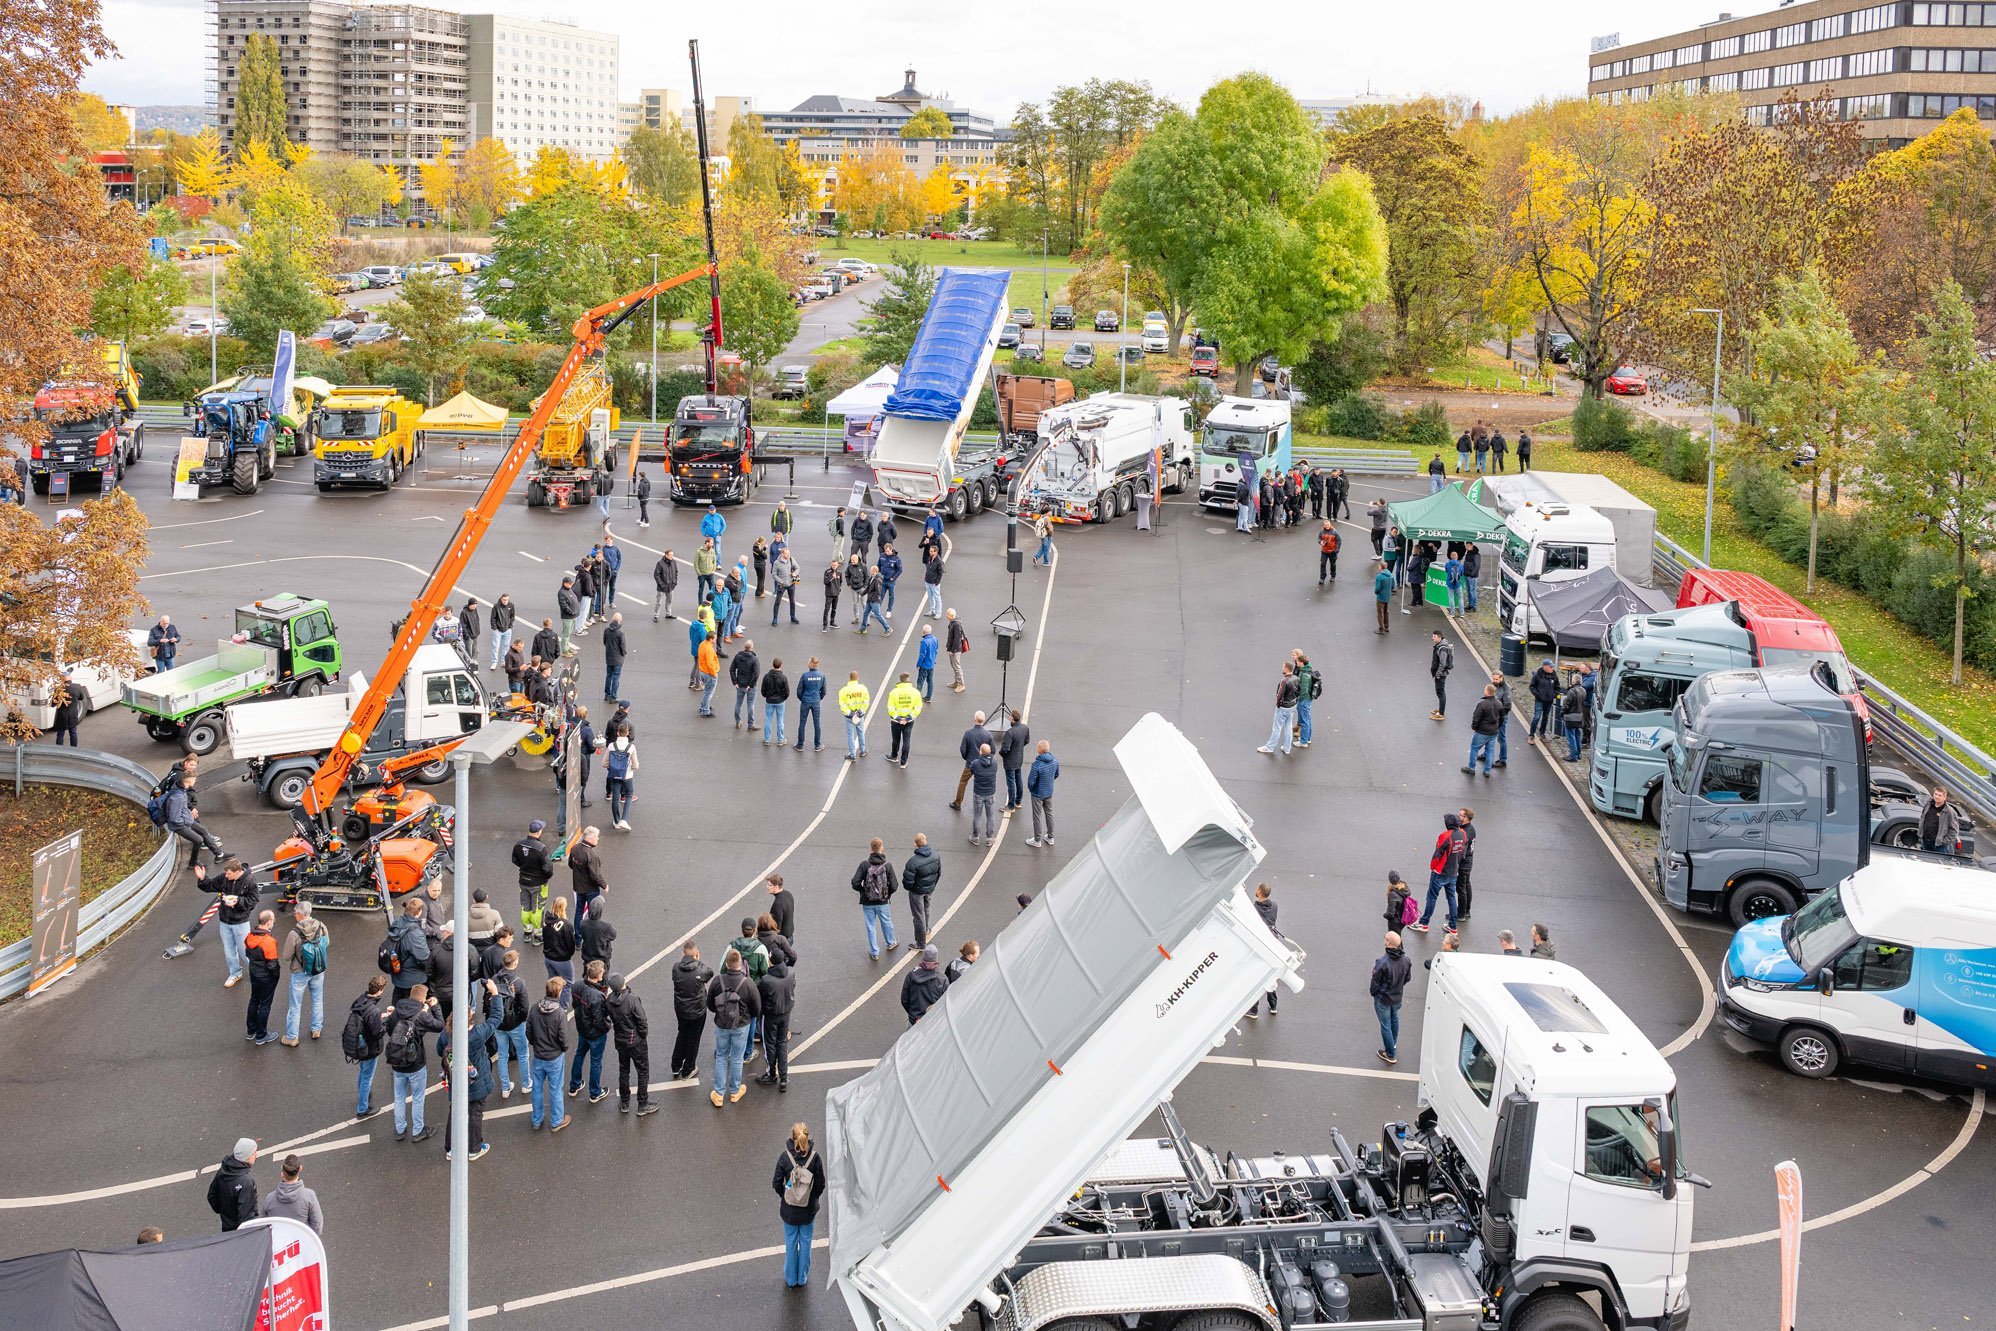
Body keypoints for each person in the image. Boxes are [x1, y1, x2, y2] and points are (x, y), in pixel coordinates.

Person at [385, 983, 444, 1141]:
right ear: (423, 998)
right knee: (418, 1097)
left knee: (399, 1096)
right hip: (415, 1063)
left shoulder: (397, 1010)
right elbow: (440, 1025)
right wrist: (435, 1007)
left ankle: (400, 1129)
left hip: (397, 1061)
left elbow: (389, 1029)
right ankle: (418, 1130)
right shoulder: (421, 1015)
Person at [774, 1123, 828, 1289]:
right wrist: (811, 1199)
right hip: (808, 1211)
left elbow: (776, 1182)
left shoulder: (785, 1157)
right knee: (805, 1242)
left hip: (789, 1211)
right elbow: (820, 1184)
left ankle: (791, 1279)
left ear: (792, 1137)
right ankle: (802, 1277)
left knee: (791, 1243)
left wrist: (786, 1195)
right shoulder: (815, 1158)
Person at [708, 950, 761, 1107]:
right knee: (737, 1058)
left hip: (722, 1024)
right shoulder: (748, 983)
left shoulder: (718, 981)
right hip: (741, 1025)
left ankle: (718, 1094)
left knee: (722, 1056)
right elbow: (757, 1009)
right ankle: (735, 1092)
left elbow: (710, 1004)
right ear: (741, 965)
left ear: (726, 964)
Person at [195, 856, 258, 987]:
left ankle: (257, 974)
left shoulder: (250, 881)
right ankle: (235, 973)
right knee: (229, 953)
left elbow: (254, 900)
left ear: (237, 872)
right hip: (225, 922)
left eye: (229, 873)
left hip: (241, 923)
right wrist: (202, 878)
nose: (226, 876)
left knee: (245, 952)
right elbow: (210, 885)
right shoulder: (225, 878)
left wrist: (238, 901)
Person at [280, 901, 329, 1047]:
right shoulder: (321, 926)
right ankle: (316, 1029)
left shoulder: (294, 933)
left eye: (295, 912)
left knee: (295, 1006)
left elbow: (287, 956)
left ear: (301, 914)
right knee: (317, 999)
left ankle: (292, 1037)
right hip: (318, 969)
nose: (295, 915)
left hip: (299, 972)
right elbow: (326, 943)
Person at [527, 977, 571, 1132]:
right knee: (555, 1089)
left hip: (539, 1056)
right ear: (558, 993)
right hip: (554, 1058)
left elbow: (529, 1032)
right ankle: (556, 1120)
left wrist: (536, 1044)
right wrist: (563, 1048)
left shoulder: (534, 1008)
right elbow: (563, 1038)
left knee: (537, 1089)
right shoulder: (559, 1013)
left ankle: (537, 1120)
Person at [487, 949, 532, 1101]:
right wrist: (521, 1019)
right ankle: (526, 1084)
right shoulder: (519, 982)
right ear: (515, 963)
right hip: (515, 1024)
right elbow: (524, 1006)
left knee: (503, 1055)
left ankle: (505, 1087)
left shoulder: (493, 979)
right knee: (523, 1054)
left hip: (499, 1024)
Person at [344, 974, 389, 1120]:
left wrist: (380, 1017)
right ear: (380, 991)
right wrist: (387, 1023)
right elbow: (378, 1033)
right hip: (370, 1048)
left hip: (360, 1045)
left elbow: (366, 1019)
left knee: (363, 1073)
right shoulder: (373, 1011)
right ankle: (363, 1108)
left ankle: (363, 1096)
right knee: (367, 1077)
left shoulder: (361, 1001)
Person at [1415, 812, 1468, 937]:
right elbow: (1463, 852)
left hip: (1440, 872)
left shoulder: (1444, 836)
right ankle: (1453, 926)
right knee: (1451, 898)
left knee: (1432, 897)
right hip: (1454, 871)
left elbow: (1437, 854)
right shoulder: (1463, 834)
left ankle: (1424, 923)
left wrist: (1433, 867)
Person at [567, 960, 612, 1103]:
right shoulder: (597, 996)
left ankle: (574, 1085)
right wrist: (607, 1026)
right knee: (596, 1062)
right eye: (602, 971)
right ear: (598, 975)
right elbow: (599, 1020)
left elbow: (575, 1004)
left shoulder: (578, 985)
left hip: (582, 1028)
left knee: (579, 1055)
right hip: (595, 1034)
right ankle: (595, 1092)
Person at [670, 942, 715, 1082]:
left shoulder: (676, 968)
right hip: (697, 1011)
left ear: (683, 953)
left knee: (682, 1034)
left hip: (681, 1008)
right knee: (693, 1039)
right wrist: (697, 960)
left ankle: (675, 1065)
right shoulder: (701, 970)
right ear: (696, 954)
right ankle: (688, 1068)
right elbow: (710, 972)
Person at [1370, 931, 1413, 1065]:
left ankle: (1390, 1054)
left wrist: (1374, 993)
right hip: (1397, 997)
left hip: (1383, 998)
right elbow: (1408, 978)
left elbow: (1375, 983)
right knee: (1395, 1020)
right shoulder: (1406, 960)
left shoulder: (1382, 962)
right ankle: (1392, 1044)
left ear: (1388, 943)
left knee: (1385, 1026)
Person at [852, 836, 900, 957]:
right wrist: (886, 894)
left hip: (868, 901)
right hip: (882, 901)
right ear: (881, 848)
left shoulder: (864, 865)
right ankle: (891, 942)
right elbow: (894, 885)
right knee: (886, 922)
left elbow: (855, 882)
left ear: (871, 849)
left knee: (870, 926)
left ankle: (874, 952)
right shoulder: (887, 866)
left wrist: (863, 891)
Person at [755, 953, 795, 1090]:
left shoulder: (766, 980)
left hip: (771, 1015)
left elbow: (759, 996)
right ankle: (784, 1077)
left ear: (771, 961)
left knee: (769, 1044)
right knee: (782, 1043)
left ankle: (771, 1073)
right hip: (786, 1012)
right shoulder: (790, 973)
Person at [169, 776, 226, 872]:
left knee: (203, 829)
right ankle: (193, 862)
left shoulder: (182, 790)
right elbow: (174, 818)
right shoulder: (177, 796)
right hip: (179, 825)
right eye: (194, 779)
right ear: (189, 780)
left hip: (185, 820)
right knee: (198, 840)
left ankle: (219, 854)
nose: (195, 781)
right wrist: (186, 822)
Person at [244, 910, 282, 1045]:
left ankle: (251, 1031)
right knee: (265, 1005)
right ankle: (261, 1035)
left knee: (254, 1000)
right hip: (266, 978)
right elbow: (273, 965)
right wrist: (276, 977)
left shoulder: (249, 936)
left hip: (254, 973)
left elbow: (247, 954)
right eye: (273, 919)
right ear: (268, 922)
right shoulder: (268, 941)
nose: (274, 921)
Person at [511, 819, 552, 945]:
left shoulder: (518, 845)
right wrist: (544, 876)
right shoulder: (541, 848)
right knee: (537, 909)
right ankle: (538, 935)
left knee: (525, 907)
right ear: (539, 832)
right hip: (538, 884)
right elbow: (548, 868)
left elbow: (514, 860)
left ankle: (527, 933)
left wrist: (525, 866)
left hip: (523, 881)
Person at [1246, 884, 1282, 1017]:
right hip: (1272, 944)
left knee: (1257, 977)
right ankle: (1273, 1004)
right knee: (1269, 974)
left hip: (1260, 945)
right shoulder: (1275, 906)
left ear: (1259, 892)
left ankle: (1254, 1010)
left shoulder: (1253, 909)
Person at [207, 1139, 259, 1232]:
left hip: (227, 1226)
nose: (256, 1155)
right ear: (246, 1157)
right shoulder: (246, 1182)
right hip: (241, 1233)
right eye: (253, 1153)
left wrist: (225, 1213)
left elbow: (212, 1196)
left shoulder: (223, 1170)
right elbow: (246, 1216)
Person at [903, 832, 941, 947]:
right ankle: (926, 929)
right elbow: (939, 873)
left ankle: (920, 943)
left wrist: (911, 889)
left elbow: (907, 882)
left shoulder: (913, 862)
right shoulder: (935, 855)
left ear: (916, 844)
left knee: (918, 916)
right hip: (929, 888)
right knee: (926, 909)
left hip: (917, 892)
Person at [1258, 661, 1300, 756]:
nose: (1282, 669)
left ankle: (1270, 747)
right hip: (1292, 706)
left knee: (1276, 728)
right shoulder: (1296, 678)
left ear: (1286, 669)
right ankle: (1287, 748)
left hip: (1284, 707)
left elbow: (1279, 695)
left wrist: (1279, 705)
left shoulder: (1284, 681)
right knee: (1288, 726)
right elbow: (1298, 691)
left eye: (1283, 667)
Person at [542, 896, 577, 1006]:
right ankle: (562, 1008)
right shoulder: (565, 925)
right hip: (562, 959)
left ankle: (550, 1003)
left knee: (552, 982)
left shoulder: (546, 921)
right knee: (567, 983)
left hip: (548, 958)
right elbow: (571, 944)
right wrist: (568, 955)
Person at [901, 944, 948, 1024]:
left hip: (914, 1020)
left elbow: (904, 999)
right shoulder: (942, 979)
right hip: (932, 1022)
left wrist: (913, 1014)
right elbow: (945, 1003)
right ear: (935, 960)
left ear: (923, 958)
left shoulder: (911, 976)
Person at [1025, 740, 1059, 848]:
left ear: (1039, 749)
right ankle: (1050, 836)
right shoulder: (1055, 761)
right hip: (1049, 791)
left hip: (1038, 793)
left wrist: (1032, 790)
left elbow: (1031, 781)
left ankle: (1037, 839)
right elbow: (1056, 774)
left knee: (1037, 816)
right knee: (1049, 813)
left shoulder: (1037, 764)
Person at [1464, 685, 1504, 776]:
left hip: (1482, 731)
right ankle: (1487, 771)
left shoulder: (1482, 704)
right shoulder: (1499, 704)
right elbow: (1502, 718)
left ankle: (1471, 768)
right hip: (1493, 732)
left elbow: (1476, 718)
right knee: (1490, 750)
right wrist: (1497, 727)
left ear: (1487, 692)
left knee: (1474, 748)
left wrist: (1474, 727)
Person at [569, 825, 607, 919]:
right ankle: (590, 932)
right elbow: (595, 875)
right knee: (594, 913)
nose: (597, 839)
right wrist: (604, 885)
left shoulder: (574, 848)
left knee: (579, 912)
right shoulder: (591, 855)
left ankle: (578, 933)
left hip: (578, 887)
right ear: (590, 838)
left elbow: (571, 864)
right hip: (591, 889)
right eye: (596, 837)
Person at [885, 670, 922, 766]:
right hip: (909, 721)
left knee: (895, 740)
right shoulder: (916, 692)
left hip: (896, 721)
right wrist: (909, 717)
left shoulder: (893, 692)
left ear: (900, 681)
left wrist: (898, 718)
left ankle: (894, 756)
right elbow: (918, 707)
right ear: (908, 680)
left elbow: (890, 707)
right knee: (906, 741)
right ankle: (904, 761)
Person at [967, 743, 999, 846]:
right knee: (990, 815)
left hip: (978, 792)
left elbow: (971, 770)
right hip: (990, 792)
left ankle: (975, 837)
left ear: (980, 751)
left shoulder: (976, 763)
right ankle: (990, 838)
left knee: (977, 815)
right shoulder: (994, 762)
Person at [794, 657, 826, 752]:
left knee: (802, 722)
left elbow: (799, 690)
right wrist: (818, 698)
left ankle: (800, 745)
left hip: (805, 701)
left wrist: (802, 698)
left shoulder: (805, 675)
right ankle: (817, 744)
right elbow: (824, 690)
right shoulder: (821, 675)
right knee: (816, 722)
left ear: (810, 663)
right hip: (816, 701)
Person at [579, 896, 618, 972]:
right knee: (603, 978)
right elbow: (613, 936)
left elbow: (582, 935)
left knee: (588, 976)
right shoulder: (606, 926)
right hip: (602, 958)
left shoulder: (583, 923)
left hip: (588, 957)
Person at [1920, 786, 1964, 853]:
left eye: (1939, 795)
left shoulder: (1949, 812)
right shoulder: (1928, 804)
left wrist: (1943, 842)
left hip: (1939, 846)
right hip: (1926, 841)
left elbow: (1954, 831)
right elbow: (1922, 817)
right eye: (1936, 794)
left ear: (1944, 797)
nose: (1937, 797)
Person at [838, 670, 871, 759]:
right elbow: (866, 701)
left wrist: (851, 713)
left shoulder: (843, 691)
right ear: (858, 678)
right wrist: (860, 712)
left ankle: (852, 754)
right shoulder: (863, 688)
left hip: (849, 716)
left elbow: (842, 704)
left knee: (850, 735)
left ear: (850, 678)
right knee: (860, 732)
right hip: (860, 715)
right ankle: (863, 750)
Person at [759, 656, 791, 747]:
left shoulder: (766, 676)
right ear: (781, 665)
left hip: (769, 700)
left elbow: (763, 690)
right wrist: (783, 698)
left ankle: (767, 739)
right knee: (780, 720)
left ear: (772, 665)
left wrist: (766, 696)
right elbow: (787, 691)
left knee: (768, 719)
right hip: (780, 701)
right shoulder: (783, 677)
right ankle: (780, 739)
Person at [1527, 659, 1560, 744]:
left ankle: (1542, 734)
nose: (1552, 668)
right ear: (1545, 666)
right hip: (1539, 700)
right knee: (1536, 717)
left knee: (1545, 718)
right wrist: (1538, 695)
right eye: (1550, 666)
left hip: (1549, 701)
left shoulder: (1554, 675)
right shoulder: (1538, 675)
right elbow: (1532, 686)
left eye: (1552, 666)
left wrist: (1554, 695)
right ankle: (1531, 735)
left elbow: (1557, 687)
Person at [1291, 651, 1319, 749]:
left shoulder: (1304, 674)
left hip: (1304, 700)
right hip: (1308, 699)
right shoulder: (1308, 670)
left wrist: (1298, 699)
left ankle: (1303, 742)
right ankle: (1307, 738)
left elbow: (1303, 690)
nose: (1296, 663)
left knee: (1304, 720)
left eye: (1297, 661)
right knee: (1307, 719)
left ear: (1301, 662)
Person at [46, 677, 84, 746]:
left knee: (60, 734)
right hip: (73, 714)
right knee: (73, 733)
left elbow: (53, 704)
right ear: (71, 678)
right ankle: (74, 749)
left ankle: (59, 750)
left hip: (62, 715)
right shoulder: (77, 686)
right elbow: (81, 698)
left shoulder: (59, 689)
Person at [1559, 671, 1588, 761]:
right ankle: (1579, 754)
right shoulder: (1583, 690)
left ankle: (1573, 756)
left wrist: (1562, 713)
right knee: (1577, 735)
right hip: (1579, 715)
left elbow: (1566, 704)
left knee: (1571, 736)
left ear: (1573, 681)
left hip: (1570, 716)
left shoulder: (1572, 691)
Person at [600, 612, 628, 702]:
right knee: (616, 677)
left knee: (609, 675)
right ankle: (613, 696)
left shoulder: (607, 630)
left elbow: (604, 642)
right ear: (620, 621)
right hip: (618, 658)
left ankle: (607, 694)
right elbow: (622, 646)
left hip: (609, 656)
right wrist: (624, 653)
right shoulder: (620, 633)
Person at [1455, 806, 1477, 920]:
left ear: (1466, 818)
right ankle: (1466, 910)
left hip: (1464, 863)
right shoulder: (1471, 828)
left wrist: (1456, 862)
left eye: (1461, 815)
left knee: (1461, 888)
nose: (1459, 817)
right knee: (1467, 885)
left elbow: (1462, 850)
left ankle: (1461, 914)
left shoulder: (1465, 832)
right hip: (1469, 861)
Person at [769, 543, 800, 625]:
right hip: (781, 585)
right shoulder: (776, 563)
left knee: (792, 601)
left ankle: (793, 617)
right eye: (787, 554)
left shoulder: (791, 559)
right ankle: (775, 619)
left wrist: (795, 573)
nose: (788, 555)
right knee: (777, 602)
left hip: (791, 584)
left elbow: (797, 567)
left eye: (789, 554)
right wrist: (780, 580)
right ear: (782, 554)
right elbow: (774, 574)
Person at [467, 887, 504, 952]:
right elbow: (500, 933)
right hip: (491, 948)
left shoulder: (465, 916)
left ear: (474, 900)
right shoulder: (495, 914)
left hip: (472, 949)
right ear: (486, 897)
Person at [695, 622, 720, 717]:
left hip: (702, 670)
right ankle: (705, 711)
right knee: (709, 693)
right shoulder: (709, 649)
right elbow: (710, 663)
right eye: (715, 638)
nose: (716, 639)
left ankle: (704, 706)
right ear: (711, 639)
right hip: (709, 673)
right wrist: (713, 673)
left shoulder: (702, 644)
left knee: (707, 691)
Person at [859, 563, 891, 634]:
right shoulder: (872, 577)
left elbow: (878, 592)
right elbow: (868, 588)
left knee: (878, 615)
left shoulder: (877, 580)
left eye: (871, 571)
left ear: (875, 571)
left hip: (874, 601)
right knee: (865, 613)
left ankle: (888, 628)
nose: (870, 572)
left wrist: (872, 599)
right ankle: (863, 628)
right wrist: (862, 594)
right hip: (870, 600)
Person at [1429, 630, 1454, 721]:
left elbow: (1442, 663)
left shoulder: (1442, 648)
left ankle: (1441, 713)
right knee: (1440, 692)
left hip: (1441, 674)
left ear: (1439, 637)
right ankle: (1440, 709)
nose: (1432, 638)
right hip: (1440, 674)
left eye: (1434, 636)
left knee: (1441, 693)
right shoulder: (1440, 645)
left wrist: (1438, 674)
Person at [556, 575, 582, 656]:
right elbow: (563, 605)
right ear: (565, 583)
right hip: (568, 617)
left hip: (573, 616)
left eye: (571, 583)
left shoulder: (569, 590)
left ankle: (567, 647)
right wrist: (571, 612)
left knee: (569, 633)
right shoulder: (562, 592)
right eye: (569, 584)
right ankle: (564, 650)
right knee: (566, 634)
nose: (571, 585)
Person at [765, 873, 797, 940]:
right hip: (790, 935)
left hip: (783, 939)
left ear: (776, 887)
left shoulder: (777, 905)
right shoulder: (788, 894)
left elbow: (776, 927)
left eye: (769, 885)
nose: (767, 887)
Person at [652, 549, 678, 624]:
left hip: (671, 586)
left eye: (673, 555)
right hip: (662, 587)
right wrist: (661, 584)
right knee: (659, 602)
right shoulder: (660, 563)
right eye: (671, 555)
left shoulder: (674, 562)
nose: (672, 556)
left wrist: (674, 582)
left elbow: (676, 572)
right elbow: (656, 575)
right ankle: (656, 616)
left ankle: (668, 614)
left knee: (669, 600)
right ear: (666, 555)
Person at [842, 552, 868, 627]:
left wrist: (865, 586)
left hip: (862, 588)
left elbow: (867, 576)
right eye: (851, 560)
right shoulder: (850, 566)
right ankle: (856, 617)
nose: (852, 562)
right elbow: (847, 575)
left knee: (864, 604)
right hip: (853, 588)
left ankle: (867, 619)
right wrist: (849, 583)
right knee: (855, 603)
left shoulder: (863, 566)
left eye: (853, 560)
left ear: (857, 560)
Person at [915, 624, 939, 701]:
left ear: (924, 631)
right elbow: (936, 651)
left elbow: (922, 655)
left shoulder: (924, 642)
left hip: (924, 665)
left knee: (920, 681)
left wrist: (918, 664)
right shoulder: (935, 639)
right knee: (930, 680)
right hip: (931, 664)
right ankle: (928, 697)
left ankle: (916, 698)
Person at [879, 542, 904, 616]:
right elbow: (879, 565)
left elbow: (900, 570)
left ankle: (889, 610)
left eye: (888, 551)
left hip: (891, 581)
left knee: (891, 595)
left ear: (891, 550)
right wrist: (879, 573)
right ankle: (877, 610)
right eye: (885, 551)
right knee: (880, 595)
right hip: (883, 579)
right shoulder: (882, 556)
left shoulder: (896, 558)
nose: (886, 553)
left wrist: (893, 578)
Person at [1371, 559, 1395, 636]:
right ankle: (1386, 626)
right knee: (1385, 611)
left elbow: (1377, 588)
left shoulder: (1379, 577)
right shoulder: (1390, 575)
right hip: (1387, 596)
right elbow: (1393, 585)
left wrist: (1376, 592)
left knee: (1379, 613)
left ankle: (1381, 628)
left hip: (1381, 596)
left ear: (1381, 567)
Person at [923, 544, 946, 619]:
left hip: (934, 583)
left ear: (936, 552)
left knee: (937, 598)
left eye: (932, 551)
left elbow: (940, 573)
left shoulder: (939, 561)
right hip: (928, 581)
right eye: (930, 551)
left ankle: (938, 612)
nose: (930, 552)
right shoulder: (930, 558)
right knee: (930, 597)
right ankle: (932, 610)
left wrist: (936, 582)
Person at [821, 556, 844, 632]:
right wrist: (831, 577)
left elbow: (840, 582)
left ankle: (832, 622)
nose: (834, 566)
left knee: (834, 609)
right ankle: (824, 625)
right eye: (832, 565)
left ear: (838, 565)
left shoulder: (839, 573)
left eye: (835, 565)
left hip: (836, 594)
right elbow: (825, 582)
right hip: (829, 594)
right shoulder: (827, 572)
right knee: (826, 610)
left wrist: (839, 589)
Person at [1316, 520, 1340, 587]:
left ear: (1330, 525)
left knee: (1333, 564)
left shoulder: (1334, 532)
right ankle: (1322, 578)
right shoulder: (1321, 531)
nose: (1327, 526)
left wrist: (1337, 550)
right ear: (1324, 525)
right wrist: (1320, 542)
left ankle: (1333, 576)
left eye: (1328, 525)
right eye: (1325, 525)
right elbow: (1318, 538)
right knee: (1323, 564)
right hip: (1324, 551)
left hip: (1332, 551)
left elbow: (1339, 541)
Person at [1461, 542, 1481, 613]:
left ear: (1472, 546)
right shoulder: (1468, 553)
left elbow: (1477, 566)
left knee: (1472, 591)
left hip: (1471, 576)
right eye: (1466, 546)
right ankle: (1470, 605)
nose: (1467, 548)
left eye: (1468, 546)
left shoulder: (1476, 555)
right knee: (1468, 591)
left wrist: (1472, 574)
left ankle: (1474, 606)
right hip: (1466, 574)